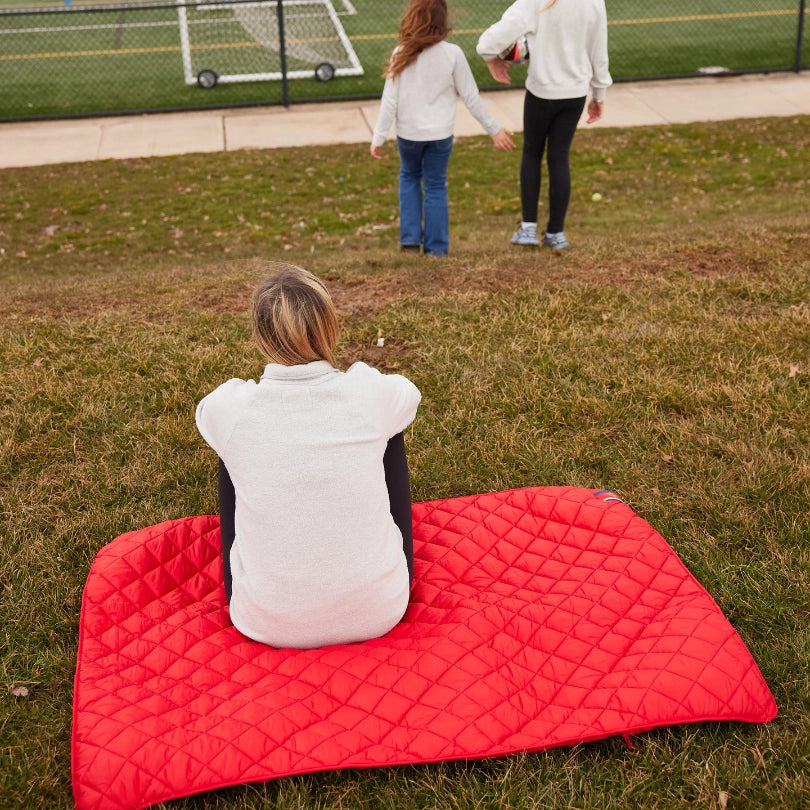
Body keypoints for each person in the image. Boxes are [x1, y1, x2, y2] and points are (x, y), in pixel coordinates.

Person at [195, 264, 421, 649]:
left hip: (263, 619)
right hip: (380, 610)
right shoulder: (367, 393)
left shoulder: (231, 408)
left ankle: (259, 570)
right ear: (329, 327)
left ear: (260, 336)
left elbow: (206, 412)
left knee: (233, 443)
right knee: (389, 425)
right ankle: (390, 555)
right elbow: (408, 395)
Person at [370, 0, 515, 257]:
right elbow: (471, 96)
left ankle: (410, 243)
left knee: (410, 178)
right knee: (435, 186)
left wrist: (378, 137)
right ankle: (436, 250)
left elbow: (389, 101)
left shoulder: (401, 52)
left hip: (409, 136)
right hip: (440, 136)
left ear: (413, 17)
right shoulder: (452, 54)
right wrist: (494, 130)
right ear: (442, 20)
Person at [477, 0, 611, 250]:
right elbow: (598, 50)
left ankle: (528, 228)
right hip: (575, 94)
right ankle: (556, 233)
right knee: (559, 158)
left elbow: (488, 42)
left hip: (541, 93)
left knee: (532, 153)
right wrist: (599, 94)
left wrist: (490, 57)